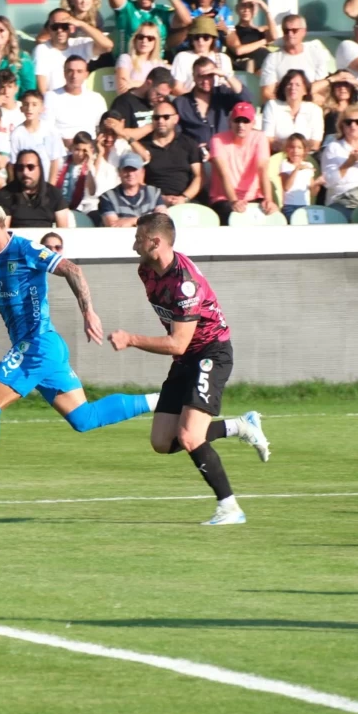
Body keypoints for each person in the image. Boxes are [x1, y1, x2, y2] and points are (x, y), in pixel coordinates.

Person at [0, 199, 158, 511]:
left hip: (37, 345)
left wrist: (89, 312)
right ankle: (164, 399)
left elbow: (72, 269)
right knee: (83, 419)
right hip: (42, 348)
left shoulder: (24, 249)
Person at [107, 213, 269, 526]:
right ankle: (238, 426)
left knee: (190, 436)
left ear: (155, 242)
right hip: (186, 359)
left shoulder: (185, 284)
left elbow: (178, 343)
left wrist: (130, 339)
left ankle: (230, 508)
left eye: (138, 238)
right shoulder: (146, 270)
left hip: (211, 353)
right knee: (163, 442)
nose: (133, 245)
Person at [208, 102, 277, 221]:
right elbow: (223, 173)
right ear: (230, 122)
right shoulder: (217, 139)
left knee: (271, 214)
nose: (241, 125)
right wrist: (234, 201)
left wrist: (268, 200)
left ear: (253, 123)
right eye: (237, 120)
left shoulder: (260, 138)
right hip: (225, 198)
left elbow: (262, 170)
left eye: (245, 121)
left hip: (254, 197)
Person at [130, 103, 202, 205]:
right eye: (156, 118)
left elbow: (199, 176)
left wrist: (184, 198)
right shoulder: (142, 147)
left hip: (185, 202)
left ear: (176, 119)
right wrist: (160, 198)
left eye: (166, 117)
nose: (161, 121)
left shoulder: (188, 143)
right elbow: (138, 181)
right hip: (153, 202)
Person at [107, 0, 192, 55]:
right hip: (127, 63)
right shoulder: (127, 8)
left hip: (155, 64)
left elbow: (186, 20)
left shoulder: (163, 11)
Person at [172, 57, 248, 148]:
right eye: (201, 76)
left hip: (223, 152)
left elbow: (246, 99)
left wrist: (226, 75)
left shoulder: (222, 94)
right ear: (193, 76)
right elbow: (176, 135)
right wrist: (194, 149)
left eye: (210, 75)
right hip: (195, 156)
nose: (205, 81)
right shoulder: (180, 103)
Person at [35, 9, 112, 94]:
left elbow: (107, 46)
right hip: (55, 101)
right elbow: (42, 87)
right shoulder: (42, 49)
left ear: (71, 29)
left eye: (64, 26)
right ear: (49, 29)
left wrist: (82, 24)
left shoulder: (79, 44)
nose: (60, 31)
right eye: (55, 27)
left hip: (79, 99)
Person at [259, 15, 333, 104]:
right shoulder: (273, 58)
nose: (290, 34)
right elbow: (266, 94)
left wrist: (288, 94)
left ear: (303, 32)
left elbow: (322, 93)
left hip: (311, 108)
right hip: (282, 108)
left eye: (294, 30)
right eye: (286, 31)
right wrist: (296, 99)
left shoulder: (316, 54)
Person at [0, 150, 69, 228]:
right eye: (20, 167)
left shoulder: (54, 194)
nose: (25, 172)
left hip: (46, 239)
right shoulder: (5, 194)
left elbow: (63, 231)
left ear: (40, 169)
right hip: (17, 239)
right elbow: (3, 231)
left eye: (30, 167)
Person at [50, 56, 109, 146]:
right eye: (70, 71)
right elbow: (45, 130)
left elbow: (103, 129)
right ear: (64, 73)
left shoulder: (97, 99)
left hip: (91, 150)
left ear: (86, 74)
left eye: (79, 71)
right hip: (61, 151)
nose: (74, 76)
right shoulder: (51, 97)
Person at [260, 69, 323, 152]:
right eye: (289, 84)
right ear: (283, 88)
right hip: (277, 154)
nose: (293, 88)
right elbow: (267, 139)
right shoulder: (272, 106)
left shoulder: (315, 110)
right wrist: (291, 151)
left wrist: (297, 152)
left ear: (305, 90)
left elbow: (315, 143)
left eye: (297, 85)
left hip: (307, 157)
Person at [10, 90, 66, 180]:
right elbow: (13, 164)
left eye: (34, 105)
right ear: (21, 108)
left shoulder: (50, 131)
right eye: (26, 104)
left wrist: (51, 187)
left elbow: (55, 161)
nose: (29, 108)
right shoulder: (17, 134)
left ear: (42, 108)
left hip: (46, 182)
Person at [53, 132, 111, 217]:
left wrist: (89, 165)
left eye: (84, 151)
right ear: (72, 148)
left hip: (86, 210)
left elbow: (92, 191)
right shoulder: (62, 162)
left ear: (91, 151)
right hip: (63, 208)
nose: (80, 154)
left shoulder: (93, 166)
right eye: (77, 149)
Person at [171, 17, 233, 95]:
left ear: (213, 39)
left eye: (206, 37)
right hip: (190, 103)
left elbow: (230, 87)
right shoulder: (182, 57)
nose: (201, 41)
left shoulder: (224, 59)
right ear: (191, 39)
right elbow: (177, 89)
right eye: (196, 37)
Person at [99, 153, 165, 226]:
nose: (130, 174)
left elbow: (163, 220)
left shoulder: (154, 192)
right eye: (126, 170)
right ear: (119, 172)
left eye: (134, 169)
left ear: (142, 172)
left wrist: (132, 221)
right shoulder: (107, 197)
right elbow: (113, 225)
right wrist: (149, 220)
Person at [111, 66, 176, 139]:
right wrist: (153, 125)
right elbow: (119, 134)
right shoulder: (123, 102)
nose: (161, 99)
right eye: (158, 94)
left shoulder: (165, 102)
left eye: (165, 96)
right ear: (148, 83)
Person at [229, 0, 278, 74]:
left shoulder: (262, 30)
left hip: (269, 69)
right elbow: (239, 50)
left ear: (256, 9)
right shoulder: (232, 31)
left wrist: (266, 10)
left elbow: (274, 36)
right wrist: (264, 41)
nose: (247, 9)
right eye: (243, 5)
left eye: (251, 6)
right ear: (237, 8)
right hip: (249, 70)